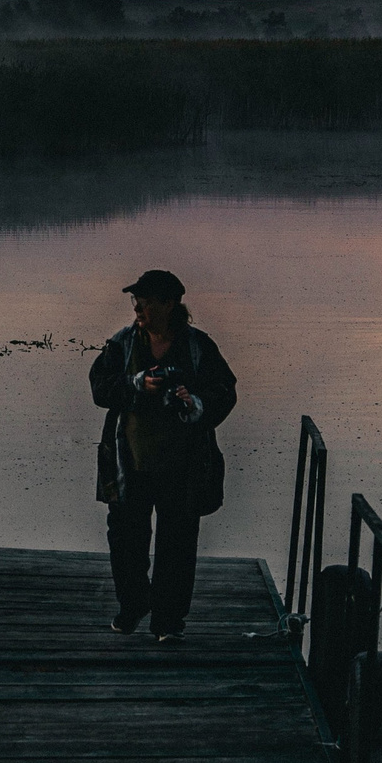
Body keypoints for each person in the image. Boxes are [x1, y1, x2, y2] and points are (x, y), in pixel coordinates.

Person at [89, 270, 237, 641]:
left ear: (170, 304)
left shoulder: (198, 346)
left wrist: (195, 403)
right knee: (125, 541)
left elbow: (225, 391)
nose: (138, 307)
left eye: (147, 300)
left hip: (184, 467)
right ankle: (134, 605)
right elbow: (100, 389)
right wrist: (136, 385)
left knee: (178, 545)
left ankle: (168, 622)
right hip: (129, 464)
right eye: (135, 300)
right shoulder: (121, 344)